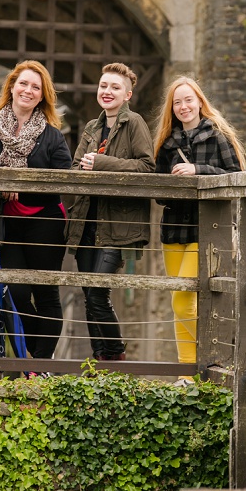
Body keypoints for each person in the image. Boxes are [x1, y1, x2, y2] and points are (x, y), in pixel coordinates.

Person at [0, 60, 72, 360]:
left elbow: (65, 177)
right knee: (17, 293)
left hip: (44, 221)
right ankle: (33, 358)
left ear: (42, 96)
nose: (28, 90)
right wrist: (3, 176)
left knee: (46, 292)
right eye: (23, 83)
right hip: (6, 222)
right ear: (11, 86)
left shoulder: (51, 135)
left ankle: (40, 363)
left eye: (36, 87)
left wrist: (20, 184)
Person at [154, 76, 246, 377]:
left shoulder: (217, 135)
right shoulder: (166, 144)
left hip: (205, 229)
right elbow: (156, 193)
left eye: (188, 100)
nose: (183, 106)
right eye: (177, 102)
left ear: (199, 102)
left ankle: (191, 371)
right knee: (178, 302)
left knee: (184, 302)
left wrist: (198, 171)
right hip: (173, 231)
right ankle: (189, 373)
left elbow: (236, 177)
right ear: (172, 108)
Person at [65, 63, 155, 362]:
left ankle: (115, 356)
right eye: (104, 86)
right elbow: (76, 167)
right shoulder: (91, 127)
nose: (107, 91)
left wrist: (102, 163)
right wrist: (86, 167)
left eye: (115, 87)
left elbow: (146, 166)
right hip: (86, 222)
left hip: (117, 224)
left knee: (97, 293)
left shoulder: (135, 123)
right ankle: (99, 359)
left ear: (127, 94)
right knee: (89, 295)